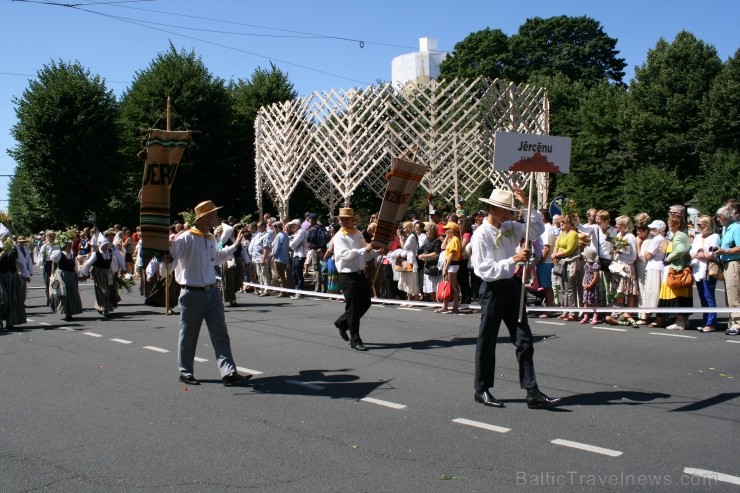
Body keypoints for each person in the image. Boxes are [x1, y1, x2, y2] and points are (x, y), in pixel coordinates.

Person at [470, 188, 560, 409]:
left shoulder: (510, 227)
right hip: (492, 289)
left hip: (512, 286)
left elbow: (536, 230)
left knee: (524, 339)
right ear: (492, 208)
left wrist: (526, 204)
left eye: (509, 210)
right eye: (504, 210)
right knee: (487, 340)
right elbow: (485, 270)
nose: (508, 214)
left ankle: (532, 391)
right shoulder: (481, 233)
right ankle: (481, 389)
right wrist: (514, 259)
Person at [169, 200, 250, 386]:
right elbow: (170, 262)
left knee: (220, 333)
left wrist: (235, 245)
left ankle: (229, 373)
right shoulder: (184, 238)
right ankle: (185, 371)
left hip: (212, 292)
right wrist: (165, 253)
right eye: (214, 214)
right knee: (188, 335)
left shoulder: (210, 238)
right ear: (204, 217)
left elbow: (217, 258)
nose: (217, 217)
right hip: (191, 293)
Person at [332, 207, 381, 351]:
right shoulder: (339, 236)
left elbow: (364, 255)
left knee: (366, 302)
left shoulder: (358, 233)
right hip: (347, 275)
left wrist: (376, 251)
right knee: (353, 308)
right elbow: (345, 255)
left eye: (347, 218)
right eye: (342, 219)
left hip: (359, 274)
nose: (344, 221)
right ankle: (356, 340)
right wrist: (365, 249)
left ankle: (342, 322)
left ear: (353, 219)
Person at [656, 215, 692, 330]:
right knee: (682, 296)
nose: (668, 225)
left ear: (675, 224)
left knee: (677, 296)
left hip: (677, 270)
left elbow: (681, 249)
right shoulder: (680, 235)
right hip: (679, 269)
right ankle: (684, 320)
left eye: (669, 223)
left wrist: (669, 257)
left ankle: (680, 321)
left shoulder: (678, 236)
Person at [80, 230, 126, 318]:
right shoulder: (97, 252)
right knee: (102, 289)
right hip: (99, 271)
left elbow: (118, 257)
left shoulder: (110, 249)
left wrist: (122, 268)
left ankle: (101, 305)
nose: (111, 240)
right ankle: (104, 308)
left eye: (112, 238)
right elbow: (88, 263)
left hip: (108, 270)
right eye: (109, 238)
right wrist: (84, 273)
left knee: (109, 287)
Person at [690, 215, 720, 332]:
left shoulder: (715, 236)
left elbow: (713, 253)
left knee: (709, 296)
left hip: (708, 269)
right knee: (702, 297)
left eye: (700, 225)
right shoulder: (697, 237)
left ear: (707, 225)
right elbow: (692, 251)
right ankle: (705, 321)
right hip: (698, 269)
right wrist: (697, 254)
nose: (698, 227)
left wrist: (703, 255)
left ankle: (711, 323)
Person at [715, 205, 740, 335]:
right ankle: (732, 321)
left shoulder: (736, 228)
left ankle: (737, 323)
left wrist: (724, 251)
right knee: (730, 295)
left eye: (719, 217)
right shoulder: (727, 229)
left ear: (725, 217)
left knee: (734, 294)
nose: (718, 219)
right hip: (727, 263)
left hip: (734, 263)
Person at [552, 214, 580, 321]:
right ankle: (565, 310)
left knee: (569, 288)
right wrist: (554, 255)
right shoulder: (561, 234)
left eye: (564, 221)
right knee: (562, 288)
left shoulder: (573, 234)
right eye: (561, 221)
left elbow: (569, 250)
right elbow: (556, 246)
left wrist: (557, 255)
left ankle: (572, 311)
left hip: (569, 263)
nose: (561, 223)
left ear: (569, 223)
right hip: (560, 263)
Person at [50, 235, 83, 322]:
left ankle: (70, 312)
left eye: (70, 244)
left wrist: (78, 275)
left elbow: (76, 265)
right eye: (67, 244)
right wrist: (60, 248)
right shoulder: (60, 254)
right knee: (64, 294)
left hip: (71, 275)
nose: (69, 246)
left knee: (72, 293)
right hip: (62, 275)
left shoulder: (72, 254)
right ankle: (66, 312)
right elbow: (53, 258)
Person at [438, 221, 462, 313]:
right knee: (446, 285)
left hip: (452, 264)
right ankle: (445, 306)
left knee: (453, 285)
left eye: (448, 229)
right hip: (448, 264)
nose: (446, 230)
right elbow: (443, 247)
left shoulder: (455, 239)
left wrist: (445, 267)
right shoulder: (451, 239)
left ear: (452, 230)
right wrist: (447, 237)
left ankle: (455, 306)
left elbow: (451, 255)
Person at [580, 247, 601, 324]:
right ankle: (586, 316)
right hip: (586, 284)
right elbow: (585, 274)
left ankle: (595, 317)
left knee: (593, 301)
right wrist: (583, 283)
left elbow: (595, 277)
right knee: (585, 301)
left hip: (593, 285)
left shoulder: (595, 265)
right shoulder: (586, 264)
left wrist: (590, 285)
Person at [288, 219, 307, 299]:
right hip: (295, 255)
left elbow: (294, 244)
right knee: (295, 274)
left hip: (300, 255)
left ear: (297, 225)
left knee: (298, 274)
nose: (291, 227)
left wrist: (291, 243)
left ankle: (300, 292)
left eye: (293, 225)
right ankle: (297, 291)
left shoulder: (301, 232)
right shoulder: (295, 233)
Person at [271, 222, 289, 298]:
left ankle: (283, 291)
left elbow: (276, 248)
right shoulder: (285, 235)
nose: (274, 230)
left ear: (277, 228)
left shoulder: (279, 236)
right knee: (282, 275)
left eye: (274, 228)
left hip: (279, 259)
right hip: (285, 258)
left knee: (280, 276)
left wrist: (273, 256)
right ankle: (284, 290)